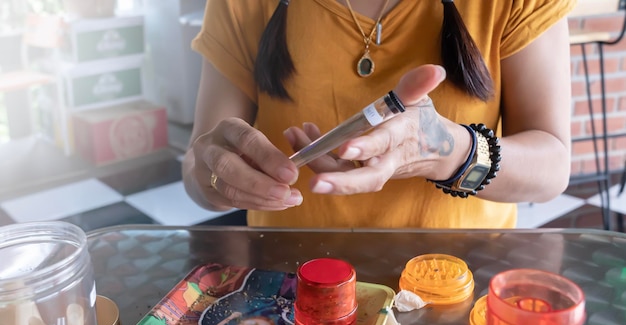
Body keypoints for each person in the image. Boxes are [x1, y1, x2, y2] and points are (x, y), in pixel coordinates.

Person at [182, 0, 575, 229]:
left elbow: (551, 167)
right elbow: (198, 173)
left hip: (457, 290)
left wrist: (450, 152)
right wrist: (215, 176)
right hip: (291, 292)